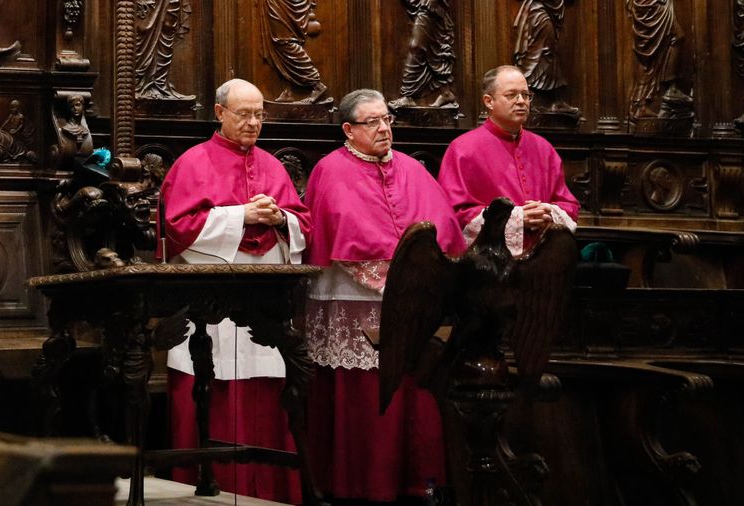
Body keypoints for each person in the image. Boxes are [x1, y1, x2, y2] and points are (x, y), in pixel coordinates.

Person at [303, 88, 463, 504]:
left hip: (412, 305)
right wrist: (391, 275)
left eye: (387, 119)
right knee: (363, 392)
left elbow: (443, 227)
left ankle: (417, 482)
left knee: (415, 388)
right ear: (348, 129)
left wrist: (418, 275)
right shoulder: (329, 170)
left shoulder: (411, 167)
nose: (383, 129)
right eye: (372, 122)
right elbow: (337, 228)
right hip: (355, 299)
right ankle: (360, 485)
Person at [160, 79, 309, 504]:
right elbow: (178, 227)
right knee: (213, 385)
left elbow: (303, 223)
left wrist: (281, 218)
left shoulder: (272, 165)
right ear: (219, 112)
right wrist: (240, 215)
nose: (253, 122)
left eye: (260, 114)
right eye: (244, 114)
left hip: (264, 295)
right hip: (210, 293)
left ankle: (272, 489)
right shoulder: (192, 162)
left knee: (268, 387)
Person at [439, 66, 579, 256]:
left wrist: (547, 213)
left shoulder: (543, 148)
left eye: (525, 95)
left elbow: (568, 204)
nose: (521, 101)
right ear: (489, 101)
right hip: (488, 265)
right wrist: (516, 218)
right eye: (512, 95)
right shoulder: (463, 149)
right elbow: (455, 215)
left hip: (542, 261)